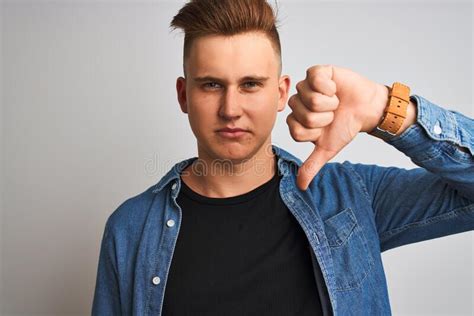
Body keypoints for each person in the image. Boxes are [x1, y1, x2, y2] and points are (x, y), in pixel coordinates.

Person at [91, 0, 474, 315]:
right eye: (211, 85)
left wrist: (382, 108)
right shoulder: (131, 229)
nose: (230, 109)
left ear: (279, 93)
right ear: (183, 95)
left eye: (250, 85)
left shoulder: (350, 199)